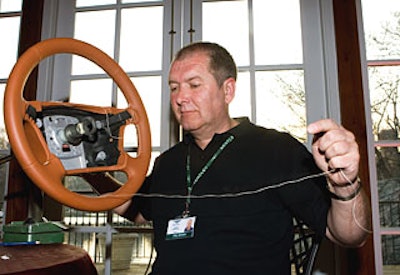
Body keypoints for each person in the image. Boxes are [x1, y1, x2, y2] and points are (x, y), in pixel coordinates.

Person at [114, 42, 371, 274]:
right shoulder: (168, 161)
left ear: (227, 91)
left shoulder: (275, 149)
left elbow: (349, 235)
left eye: (194, 85)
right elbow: (135, 210)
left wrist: (344, 184)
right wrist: (88, 169)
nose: (180, 98)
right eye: (174, 87)